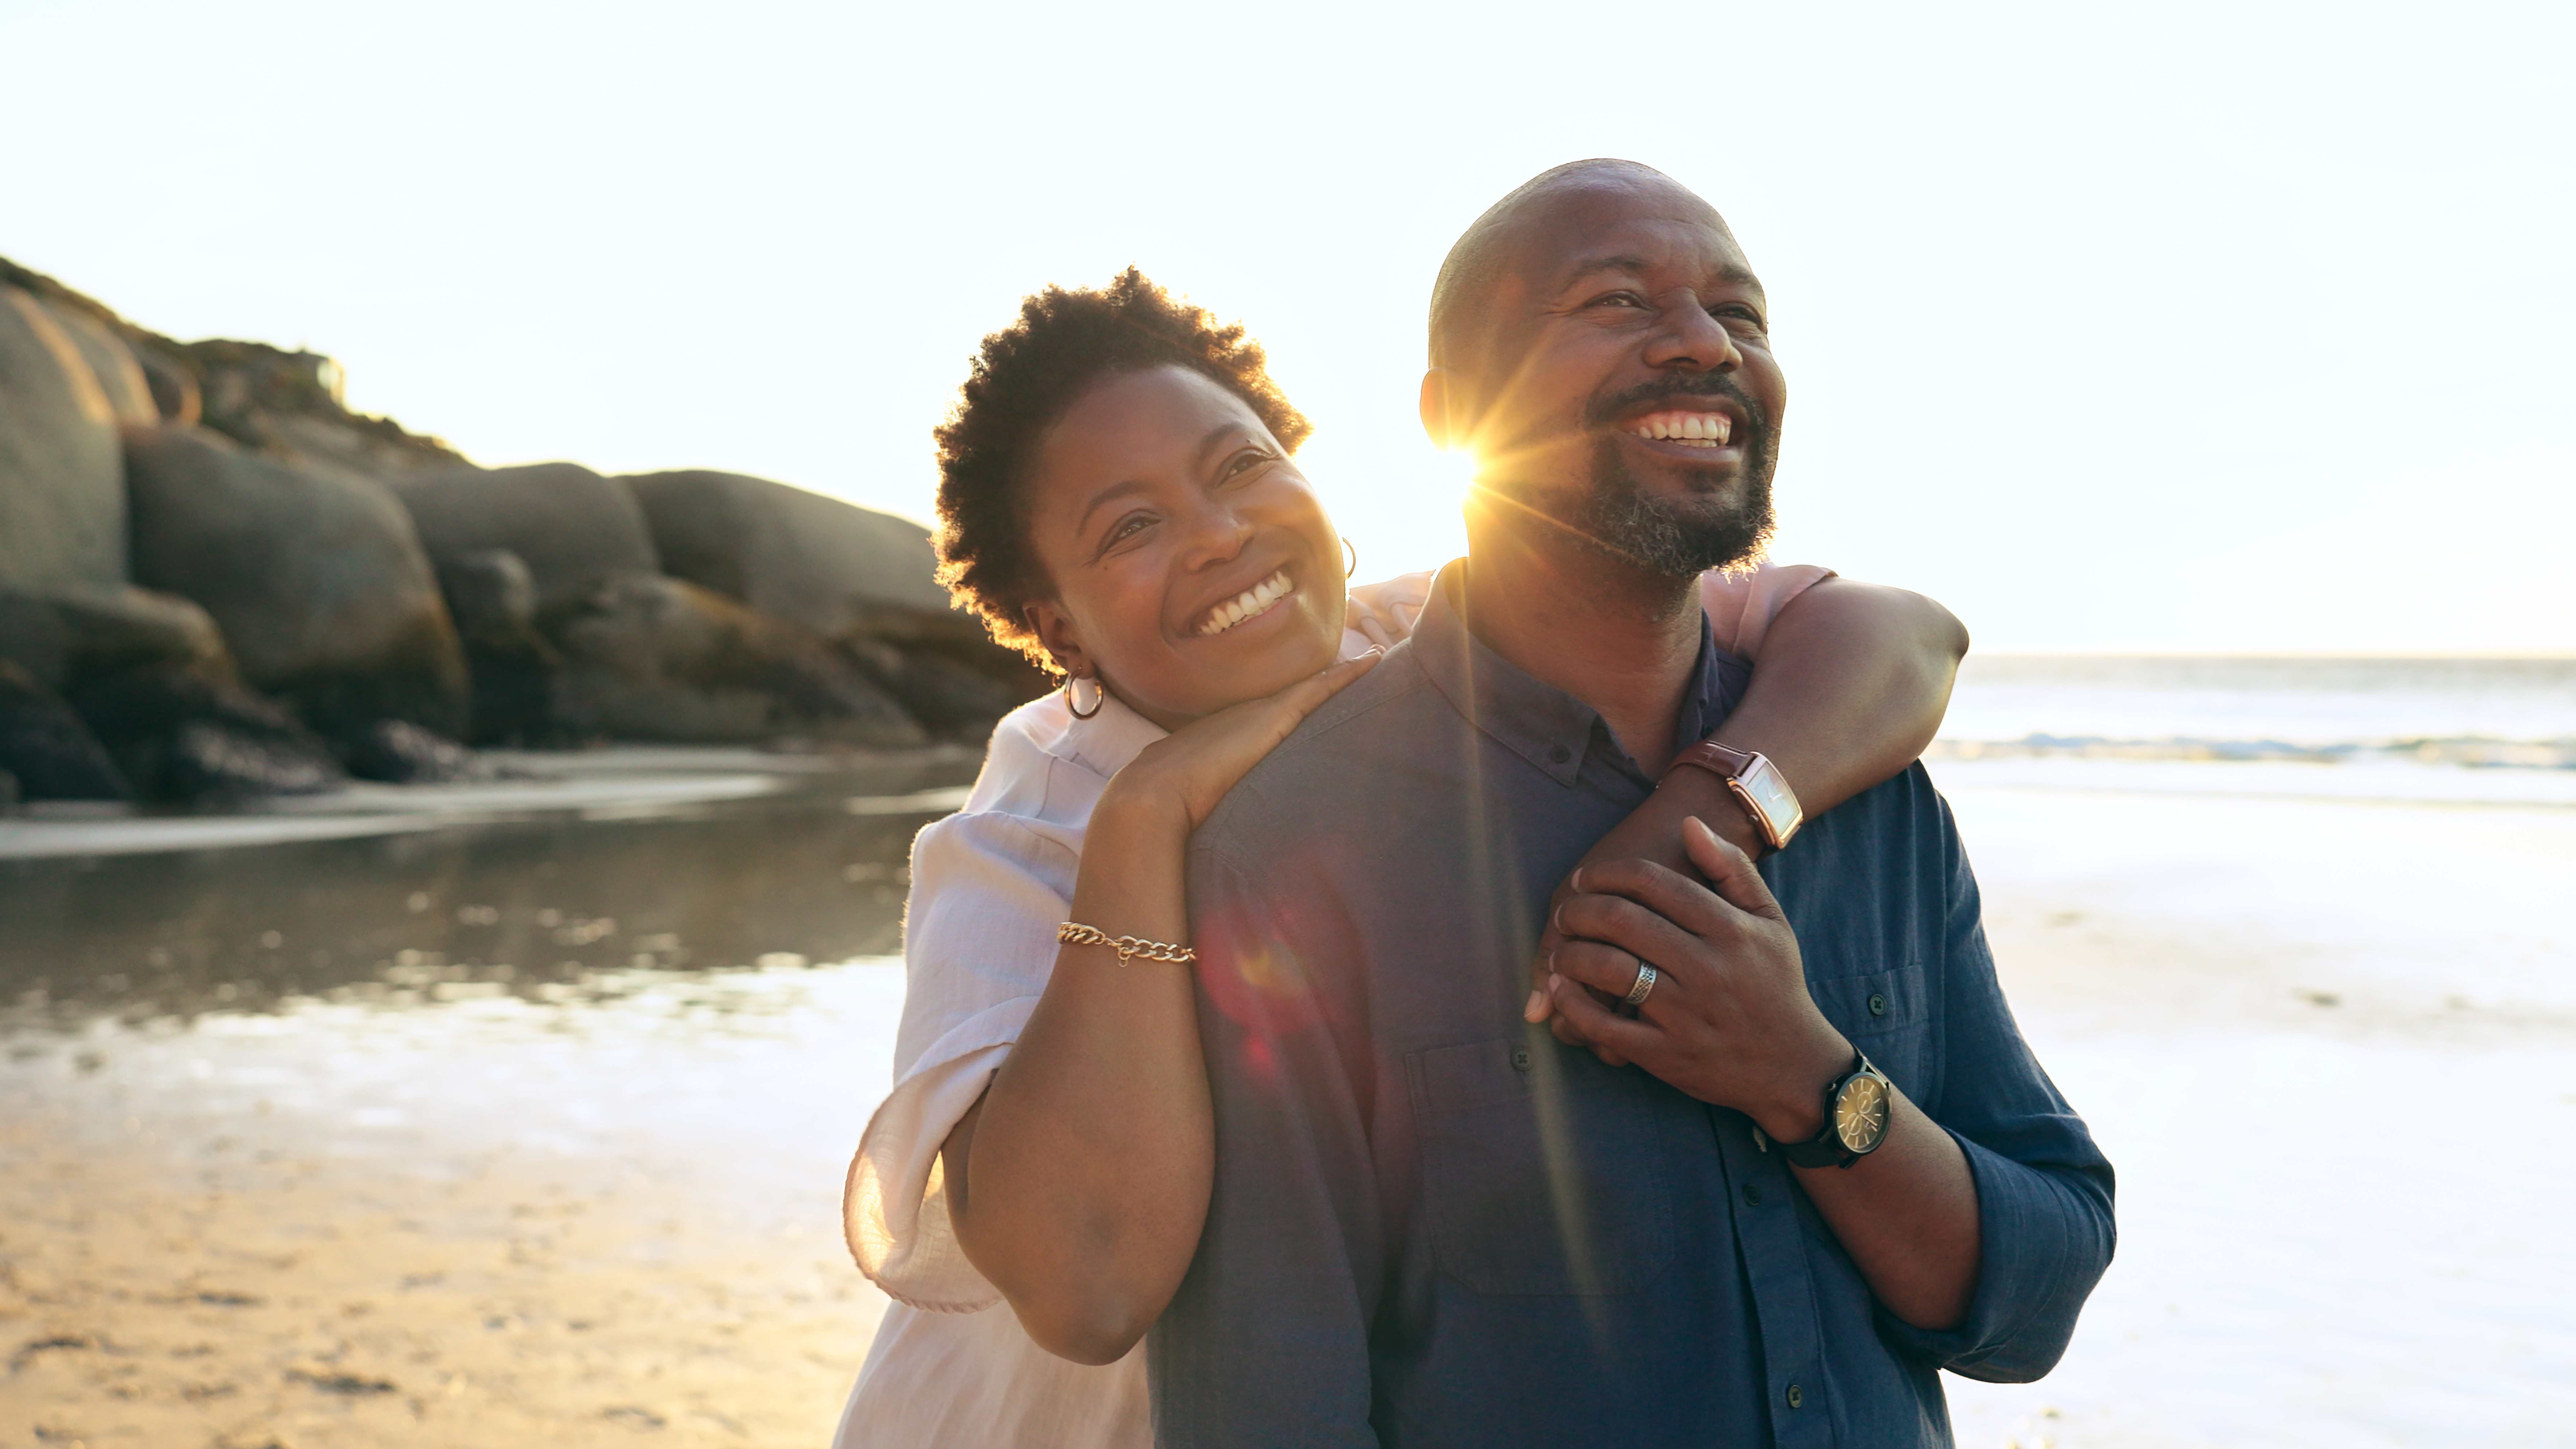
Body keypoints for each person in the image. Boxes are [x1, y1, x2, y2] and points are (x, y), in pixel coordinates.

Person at [830, 268, 1972, 1448]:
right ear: (1058, 621)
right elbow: (1090, 1289)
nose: (1219, 536)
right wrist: (1147, 817)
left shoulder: (1418, 635)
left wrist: (1702, 813)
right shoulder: (1019, 845)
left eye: (1238, 466)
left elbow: (1900, 635)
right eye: (1131, 526)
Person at [1149, 162, 2116, 1448]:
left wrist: (1808, 1078)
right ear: (1456, 415)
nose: (1704, 344)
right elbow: (1267, 1409)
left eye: (1742, 314)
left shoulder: (1868, 800)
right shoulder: (1291, 853)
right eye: (1616, 300)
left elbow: (2035, 1292)